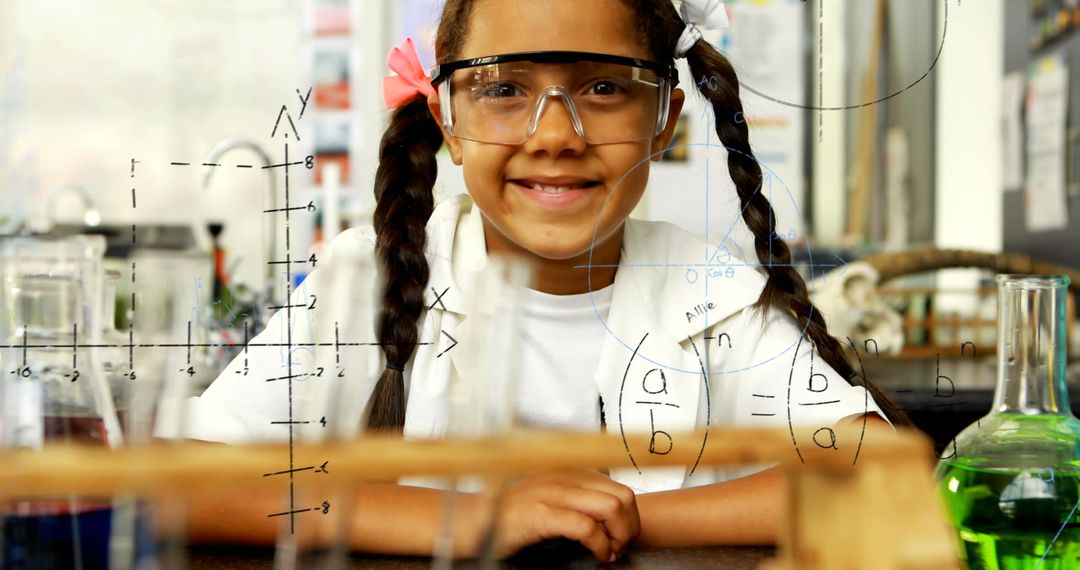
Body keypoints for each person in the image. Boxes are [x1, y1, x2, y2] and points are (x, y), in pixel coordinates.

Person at [168, 0, 911, 561]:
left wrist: (613, 515)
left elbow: (879, 479)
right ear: (447, 121)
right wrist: (464, 520)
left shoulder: (708, 290)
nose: (555, 136)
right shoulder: (365, 276)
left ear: (664, 120)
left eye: (603, 88)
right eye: (503, 90)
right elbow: (175, 484)